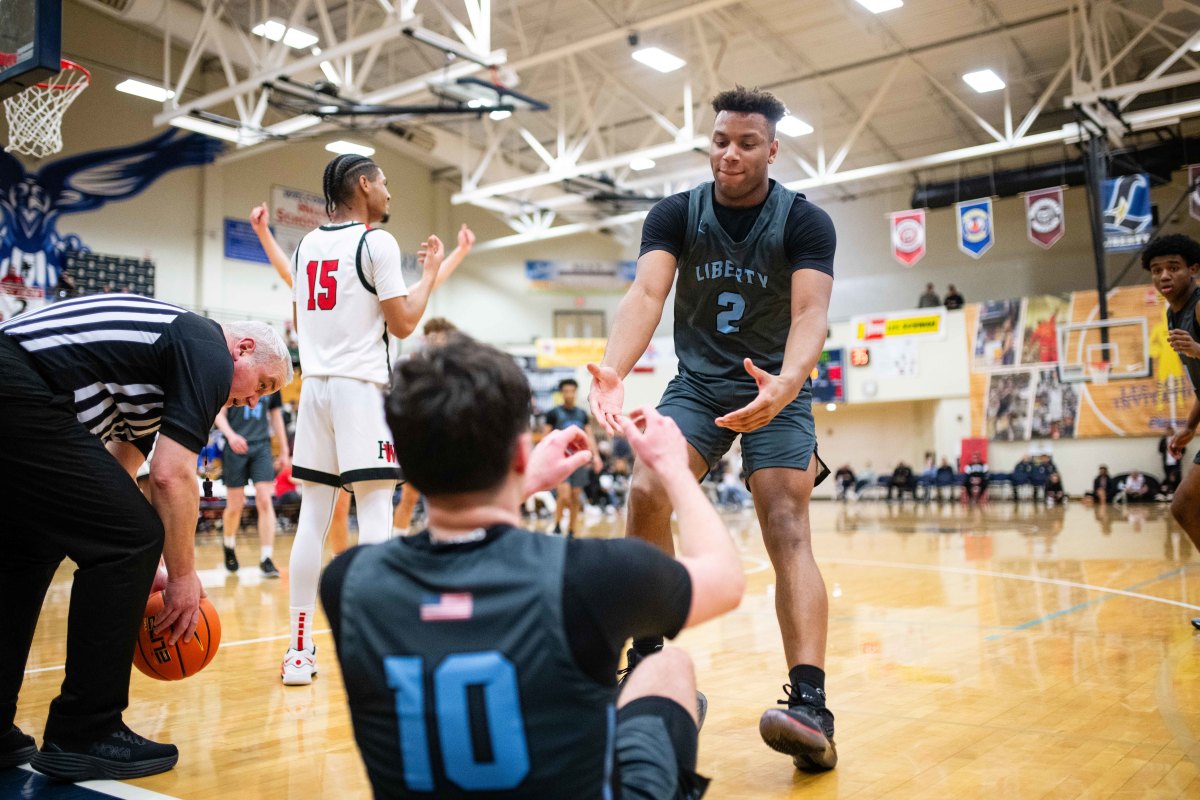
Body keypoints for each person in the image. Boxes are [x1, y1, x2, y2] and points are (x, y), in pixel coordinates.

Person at [321, 336, 744, 798]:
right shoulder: (592, 576)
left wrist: (517, 486)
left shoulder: (348, 582)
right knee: (669, 667)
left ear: (405, 464)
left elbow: (461, 542)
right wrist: (672, 467)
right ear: (520, 454)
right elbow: (724, 579)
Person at [587, 85, 839, 771]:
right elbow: (646, 293)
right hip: (698, 383)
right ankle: (649, 661)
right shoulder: (675, 214)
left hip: (776, 384)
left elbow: (811, 312)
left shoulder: (805, 222)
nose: (730, 153)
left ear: (772, 149)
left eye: (747, 142)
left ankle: (810, 703)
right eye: (721, 140)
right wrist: (612, 369)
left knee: (784, 517)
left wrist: (788, 380)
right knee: (645, 491)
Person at [0, 295, 289, 780]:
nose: (254, 401)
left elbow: (115, 477)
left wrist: (142, 569)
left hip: (19, 391)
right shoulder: (206, 350)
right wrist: (181, 577)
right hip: (20, 387)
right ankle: (85, 729)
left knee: (32, 551)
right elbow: (172, 477)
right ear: (241, 349)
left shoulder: (159, 375)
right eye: (261, 384)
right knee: (135, 533)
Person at [282, 154, 455, 686]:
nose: (388, 193)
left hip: (313, 390)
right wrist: (428, 277)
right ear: (363, 185)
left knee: (313, 518)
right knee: (376, 515)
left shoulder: (307, 244)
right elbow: (403, 325)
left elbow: (298, 318)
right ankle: (381, 651)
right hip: (361, 390)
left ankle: (298, 651)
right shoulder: (376, 242)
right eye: (383, 182)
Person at [391, 316, 469, 537]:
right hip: (417, 435)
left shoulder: (457, 368)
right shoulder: (410, 363)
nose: (436, 342)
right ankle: (398, 542)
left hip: (448, 436)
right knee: (410, 496)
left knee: (448, 497)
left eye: (442, 339)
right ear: (425, 338)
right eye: (432, 338)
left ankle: (445, 542)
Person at [213, 390, 290, 576]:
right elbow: (219, 414)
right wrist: (231, 436)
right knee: (235, 506)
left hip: (262, 446)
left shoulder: (272, 378)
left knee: (265, 500)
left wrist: (284, 450)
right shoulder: (235, 375)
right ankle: (229, 544)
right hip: (235, 445)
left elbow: (276, 415)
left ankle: (266, 558)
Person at [545, 378, 602, 536]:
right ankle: (557, 525)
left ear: (575, 392)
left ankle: (571, 529)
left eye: (571, 391)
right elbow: (546, 438)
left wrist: (596, 457)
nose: (569, 394)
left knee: (576, 496)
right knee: (564, 495)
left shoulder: (582, 414)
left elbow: (589, 437)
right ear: (562, 393)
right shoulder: (553, 414)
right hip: (561, 460)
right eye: (566, 391)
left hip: (579, 460)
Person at [1159, 425, 1183, 496]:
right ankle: (1169, 492)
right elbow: (1160, 450)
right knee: (1168, 477)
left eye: (1170, 430)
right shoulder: (1163, 440)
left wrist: (1178, 454)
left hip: (1176, 462)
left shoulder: (1177, 439)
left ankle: (1178, 492)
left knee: (1176, 477)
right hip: (1167, 462)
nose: (1168, 432)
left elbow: (1183, 449)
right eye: (1167, 430)